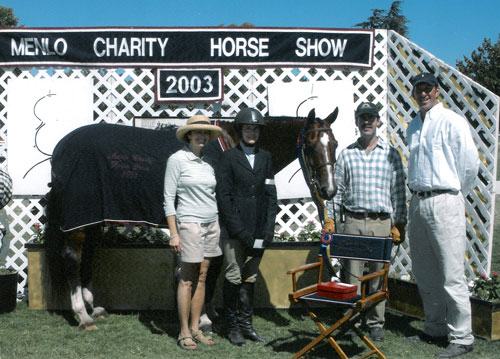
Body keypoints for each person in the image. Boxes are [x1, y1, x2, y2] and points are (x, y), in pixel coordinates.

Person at [406, 72, 479, 358]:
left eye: (427, 89)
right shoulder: (413, 125)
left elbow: (469, 164)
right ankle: (435, 328)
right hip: (418, 201)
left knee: (451, 273)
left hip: (445, 199)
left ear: (437, 91)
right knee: (425, 272)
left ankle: (462, 337)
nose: (423, 93)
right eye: (418, 89)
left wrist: (455, 193)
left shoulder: (452, 121)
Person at [329, 101, 407, 342]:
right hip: (352, 221)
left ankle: (375, 322)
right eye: (362, 118)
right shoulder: (346, 154)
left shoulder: (391, 154)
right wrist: (331, 220)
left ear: (378, 121)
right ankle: (350, 320)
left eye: (370, 118)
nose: (366, 122)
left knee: (377, 275)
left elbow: (398, 192)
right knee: (350, 275)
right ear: (356, 121)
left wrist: (399, 223)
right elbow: (337, 192)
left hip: (381, 222)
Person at [216, 107, 277, 346]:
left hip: (259, 229)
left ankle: (246, 324)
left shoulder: (266, 157)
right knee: (233, 275)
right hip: (236, 231)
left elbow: (271, 194)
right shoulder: (229, 158)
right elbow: (224, 197)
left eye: (255, 128)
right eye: (247, 128)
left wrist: (268, 228)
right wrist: (240, 232)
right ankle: (232, 326)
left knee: (250, 277)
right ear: (240, 130)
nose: (251, 132)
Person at [164, 115, 222, 350]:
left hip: (211, 223)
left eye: (205, 133)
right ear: (188, 135)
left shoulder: (208, 164)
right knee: (187, 279)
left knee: (202, 277)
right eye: (197, 132)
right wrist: (174, 233)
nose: (201, 136)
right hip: (189, 224)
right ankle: (184, 331)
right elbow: (168, 198)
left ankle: (196, 328)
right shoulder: (177, 160)